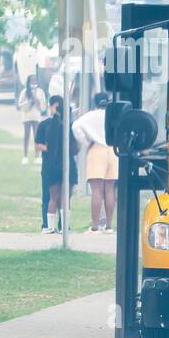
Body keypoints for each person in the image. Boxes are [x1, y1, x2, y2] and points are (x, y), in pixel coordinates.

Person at [72, 93, 117, 233]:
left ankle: (95, 227)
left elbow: (75, 126)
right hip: (113, 150)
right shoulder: (114, 115)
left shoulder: (90, 116)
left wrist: (86, 142)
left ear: (95, 102)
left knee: (96, 190)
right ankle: (109, 226)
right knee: (109, 190)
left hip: (96, 149)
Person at [35, 95, 78, 234]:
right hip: (49, 165)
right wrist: (51, 148)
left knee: (63, 198)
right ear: (51, 106)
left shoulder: (69, 125)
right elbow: (38, 144)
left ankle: (63, 225)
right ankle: (47, 225)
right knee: (48, 197)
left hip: (63, 164)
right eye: (56, 107)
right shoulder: (44, 124)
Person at [16, 75, 46, 165]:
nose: (34, 82)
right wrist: (29, 102)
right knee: (27, 135)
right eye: (32, 80)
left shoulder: (40, 92)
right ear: (28, 82)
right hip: (26, 116)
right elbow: (20, 104)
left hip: (36, 116)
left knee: (37, 136)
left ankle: (37, 156)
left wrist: (37, 102)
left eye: (35, 80)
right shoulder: (24, 92)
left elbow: (43, 106)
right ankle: (25, 156)